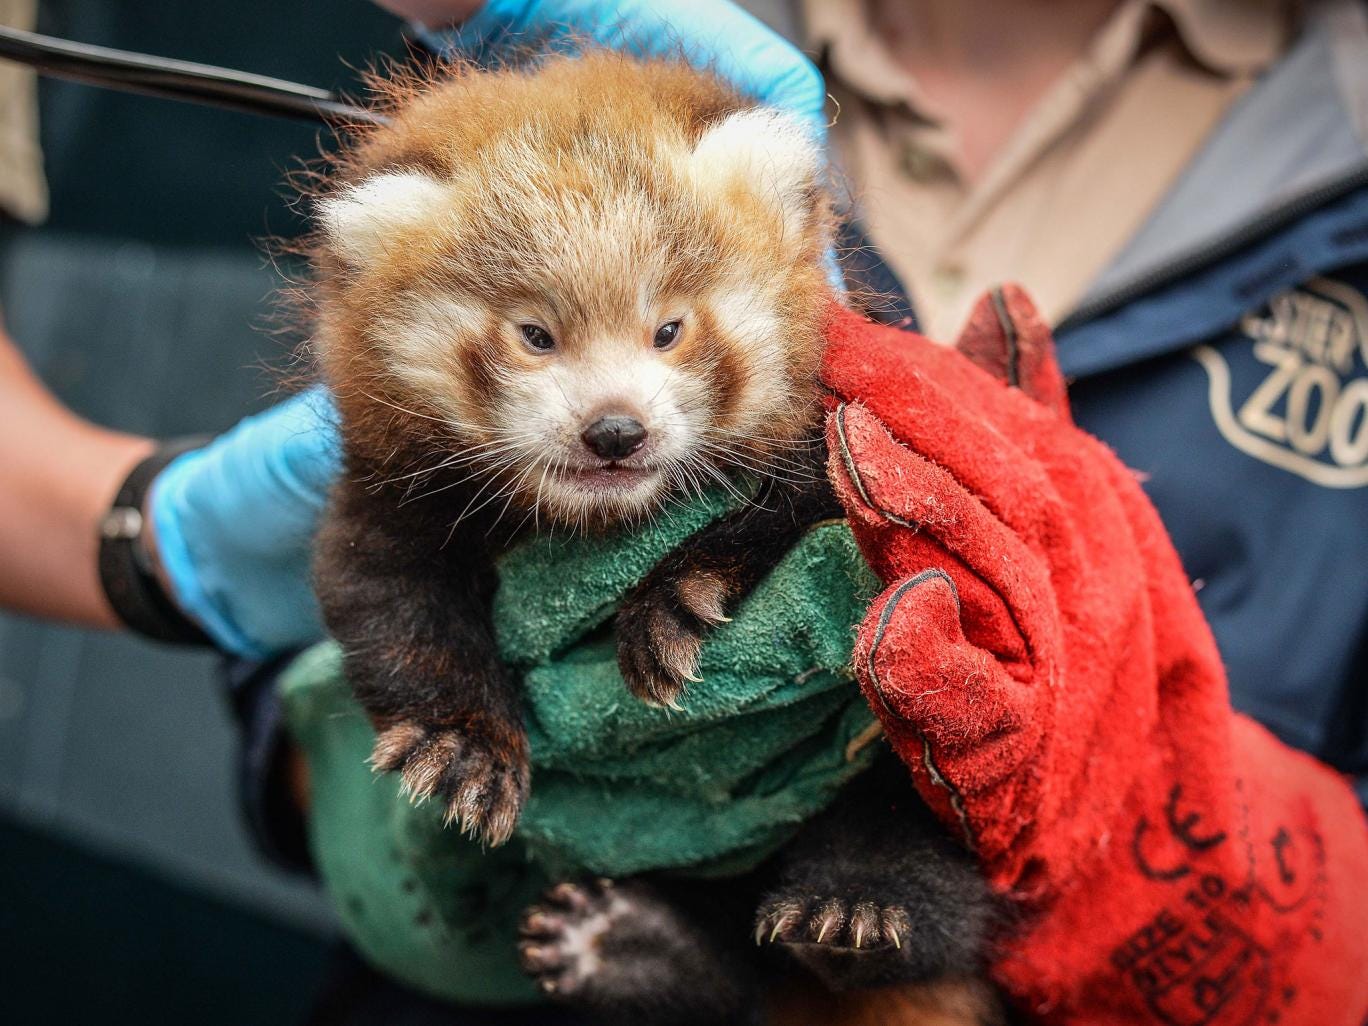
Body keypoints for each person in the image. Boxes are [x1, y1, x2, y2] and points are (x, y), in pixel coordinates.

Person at [2, 0, 1365, 1022]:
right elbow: (352, 595)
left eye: (665, 334)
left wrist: (1176, 830)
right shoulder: (587, 48)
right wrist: (356, 755)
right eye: (539, 342)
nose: (615, 413)